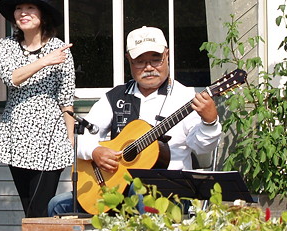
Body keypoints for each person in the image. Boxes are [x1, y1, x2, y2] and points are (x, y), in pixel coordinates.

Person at [49, 25, 221, 217]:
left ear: (167, 55)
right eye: (140, 61)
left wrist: (210, 121)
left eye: (155, 59)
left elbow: (203, 147)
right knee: (57, 206)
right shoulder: (115, 97)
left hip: (172, 192)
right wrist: (95, 151)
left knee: (139, 193)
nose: (149, 67)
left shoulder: (185, 97)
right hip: (117, 187)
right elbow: (79, 138)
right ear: (129, 60)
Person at [0, 0, 75, 219]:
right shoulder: (7, 45)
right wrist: (44, 61)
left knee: (40, 208)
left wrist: (69, 141)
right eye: (19, 8)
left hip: (50, 136)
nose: (23, 13)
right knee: (29, 208)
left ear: (43, 15)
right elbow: (11, 78)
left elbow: (66, 99)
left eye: (30, 8)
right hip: (16, 134)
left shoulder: (60, 49)